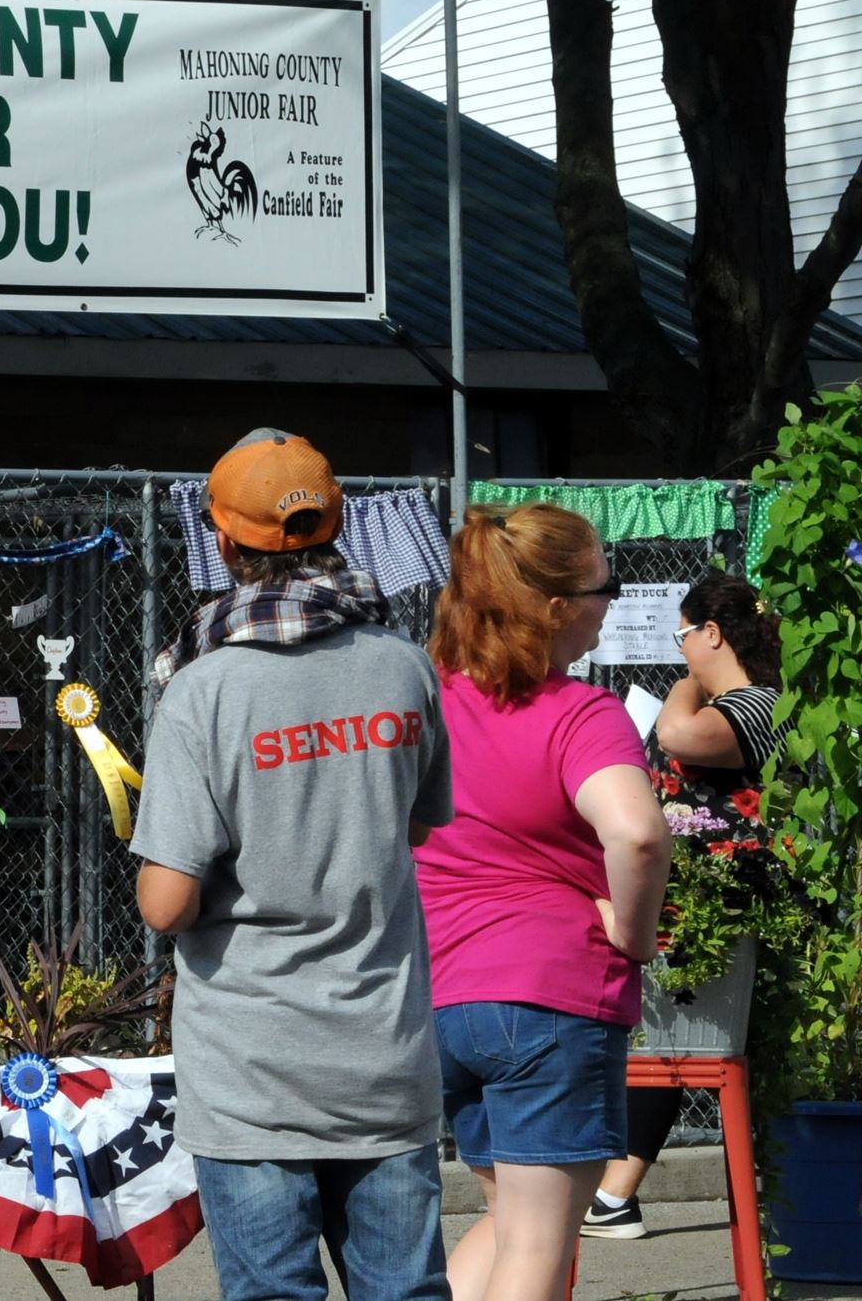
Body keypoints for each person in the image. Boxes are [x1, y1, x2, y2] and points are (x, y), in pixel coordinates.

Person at [131, 429, 455, 1301]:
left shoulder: (203, 688)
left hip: (254, 1067)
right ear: (338, 523)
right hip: (384, 1053)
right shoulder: (402, 666)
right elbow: (413, 829)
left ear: (224, 542)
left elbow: (167, 903)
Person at [415, 505, 671, 1301]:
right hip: (551, 997)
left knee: (506, 1222)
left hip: (438, 996)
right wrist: (632, 933)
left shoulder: (423, 703)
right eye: (607, 586)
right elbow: (636, 835)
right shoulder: (581, 714)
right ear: (559, 607)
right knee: (538, 1243)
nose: (612, 602)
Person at [583, 571, 784, 1239]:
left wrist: (691, 674)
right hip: (687, 900)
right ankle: (615, 1194)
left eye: (684, 633)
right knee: (664, 1041)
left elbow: (678, 734)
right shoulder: (737, 699)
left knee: (671, 1042)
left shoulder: (758, 703)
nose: (680, 649)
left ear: (713, 632)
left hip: (716, 906)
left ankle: (615, 1193)